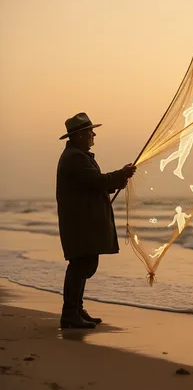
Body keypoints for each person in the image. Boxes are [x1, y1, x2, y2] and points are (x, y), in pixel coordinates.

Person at [56, 112, 136, 329]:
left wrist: (116, 181)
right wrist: (122, 174)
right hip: (80, 224)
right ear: (79, 135)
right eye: (90, 131)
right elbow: (97, 181)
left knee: (84, 264)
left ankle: (76, 309)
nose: (93, 135)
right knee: (81, 265)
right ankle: (70, 313)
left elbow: (93, 186)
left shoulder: (78, 156)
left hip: (82, 222)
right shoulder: (74, 158)